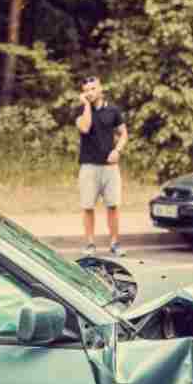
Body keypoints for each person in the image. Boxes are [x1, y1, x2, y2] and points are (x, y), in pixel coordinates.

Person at [75, 75, 128, 256]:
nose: (90, 92)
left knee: (113, 205)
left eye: (93, 89)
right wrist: (87, 106)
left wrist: (118, 151)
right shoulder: (81, 110)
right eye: (86, 90)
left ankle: (115, 243)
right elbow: (85, 128)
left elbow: (123, 134)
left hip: (110, 167)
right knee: (88, 206)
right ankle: (90, 244)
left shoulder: (113, 111)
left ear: (100, 89)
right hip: (89, 166)